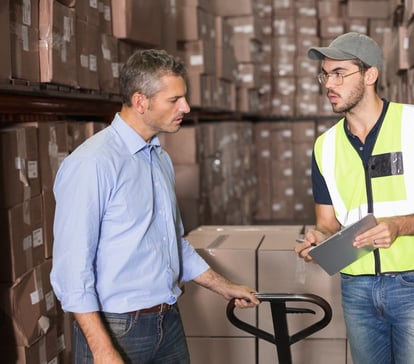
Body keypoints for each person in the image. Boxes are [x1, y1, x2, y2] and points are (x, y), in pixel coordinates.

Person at [50, 49, 260, 364]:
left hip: (167, 320)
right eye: (174, 100)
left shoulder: (158, 157)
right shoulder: (93, 163)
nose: (186, 107)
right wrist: (103, 350)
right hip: (118, 328)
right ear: (141, 102)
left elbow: (171, 242)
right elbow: (71, 270)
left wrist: (224, 286)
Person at [294, 32, 414, 364]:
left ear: (370, 75)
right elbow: (327, 223)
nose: (329, 83)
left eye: (340, 73)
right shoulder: (324, 146)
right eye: (325, 74)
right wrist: (318, 238)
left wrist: (399, 226)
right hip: (356, 287)